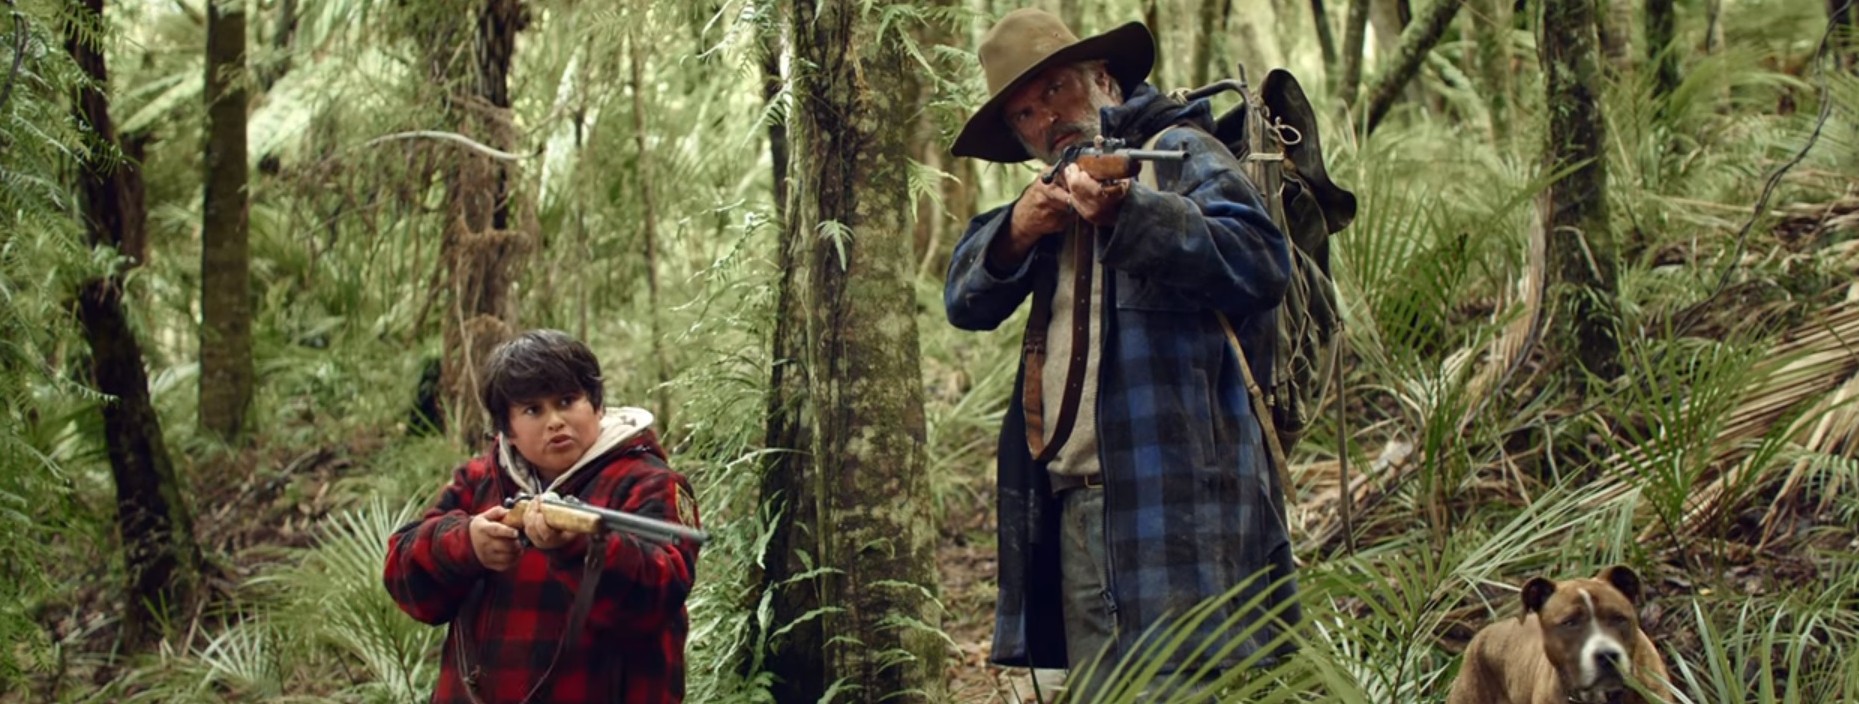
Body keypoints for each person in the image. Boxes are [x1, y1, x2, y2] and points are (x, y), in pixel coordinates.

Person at [944, 7, 1302, 698]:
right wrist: (1017, 230)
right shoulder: (1044, 198)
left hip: (1181, 507)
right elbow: (963, 299)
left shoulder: (1181, 151)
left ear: (1104, 79)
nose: (1045, 119)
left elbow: (1261, 263)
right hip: (1075, 511)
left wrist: (1130, 212)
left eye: (1054, 90)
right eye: (1022, 114)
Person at [384, 329, 702, 704]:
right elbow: (405, 579)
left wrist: (578, 546)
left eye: (567, 401)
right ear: (507, 429)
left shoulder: (649, 482)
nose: (555, 421)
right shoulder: (478, 480)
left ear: (597, 405)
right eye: (533, 409)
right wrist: (468, 544)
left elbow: (659, 594)